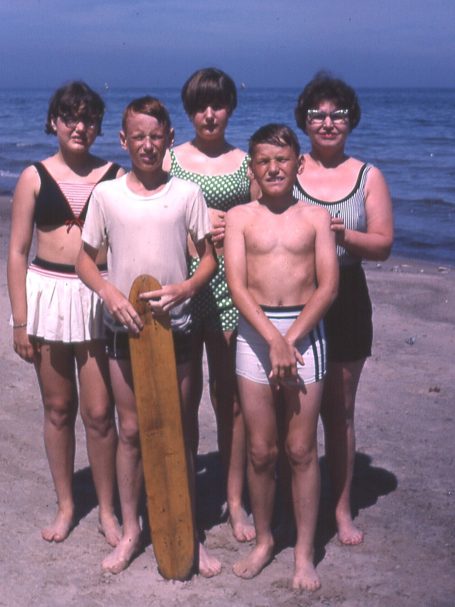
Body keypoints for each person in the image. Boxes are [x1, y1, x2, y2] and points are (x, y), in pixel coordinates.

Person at [76, 96, 221, 577]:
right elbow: (84, 260)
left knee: (179, 428)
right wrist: (109, 294)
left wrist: (185, 289)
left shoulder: (187, 194)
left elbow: (208, 259)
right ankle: (133, 529)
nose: (147, 144)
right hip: (125, 329)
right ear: (123, 140)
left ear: (170, 139)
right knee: (132, 430)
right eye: (138, 136)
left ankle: (189, 532)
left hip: (175, 329)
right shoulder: (107, 195)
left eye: (156, 136)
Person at [7, 81, 123, 545]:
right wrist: (20, 320)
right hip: (48, 296)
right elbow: (17, 251)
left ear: (98, 126)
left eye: (88, 119)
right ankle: (66, 506)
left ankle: (108, 510)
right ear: (53, 122)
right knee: (58, 409)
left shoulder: (116, 175)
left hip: (96, 296)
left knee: (100, 412)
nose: (79, 126)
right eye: (70, 117)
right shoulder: (33, 176)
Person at [224, 124, 339, 590]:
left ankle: (304, 553)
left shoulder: (315, 217)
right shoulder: (239, 217)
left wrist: (289, 338)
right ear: (252, 167)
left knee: (301, 449)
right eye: (264, 161)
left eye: (282, 159)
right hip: (256, 333)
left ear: (298, 163)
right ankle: (264, 539)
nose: (274, 168)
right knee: (260, 449)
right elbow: (237, 285)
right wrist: (273, 338)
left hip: (304, 333)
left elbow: (328, 286)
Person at [294, 72, 393, 545]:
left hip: (348, 295)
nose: (328, 122)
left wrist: (342, 234)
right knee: (294, 409)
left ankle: (340, 508)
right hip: (295, 294)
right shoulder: (288, 167)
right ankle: (295, 501)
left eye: (338, 114)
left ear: (351, 121)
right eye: (318, 114)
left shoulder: (368, 176)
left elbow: (383, 244)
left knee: (340, 411)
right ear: (304, 121)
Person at [164, 67, 255, 542]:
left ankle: (235, 501)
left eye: (218, 104)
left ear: (231, 108)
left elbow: (263, 216)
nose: (209, 114)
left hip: (230, 286)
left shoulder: (245, 163)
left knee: (230, 400)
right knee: (184, 398)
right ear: (188, 111)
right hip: (182, 284)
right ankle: (189, 497)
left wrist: (234, 221)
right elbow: (153, 209)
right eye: (200, 106)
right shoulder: (170, 159)